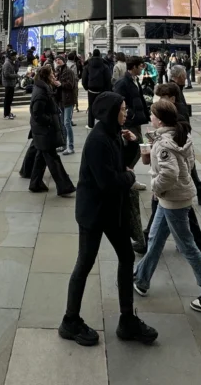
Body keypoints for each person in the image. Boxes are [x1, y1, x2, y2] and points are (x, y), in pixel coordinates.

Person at [59, 91, 158, 347]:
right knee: (84, 264)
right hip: (94, 212)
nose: (127, 112)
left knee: (126, 257)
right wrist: (129, 178)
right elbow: (109, 182)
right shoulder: (98, 140)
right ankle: (70, 321)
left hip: (112, 210)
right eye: (123, 109)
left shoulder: (113, 133)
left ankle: (127, 320)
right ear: (110, 112)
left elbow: (124, 164)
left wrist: (133, 144)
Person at [134, 98, 201, 312]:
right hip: (174, 197)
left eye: (153, 115)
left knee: (188, 247)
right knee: (155, 238)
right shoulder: (181, 135)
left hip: (173, 199)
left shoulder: (164, 145)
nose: (150, 117)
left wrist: (155, 186)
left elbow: (169, 173)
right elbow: (188, 164)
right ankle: (141, 278)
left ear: (160, 120)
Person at [163, 67, 201, 205]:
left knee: (189, 162)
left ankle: (200, 191)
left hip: (181, 132)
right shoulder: (173, 88)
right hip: (178, 133)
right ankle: (198, 191)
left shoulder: (176, 87)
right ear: (179, 76)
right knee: (186, 162)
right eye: (184, 75)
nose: (185, 78)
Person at [112, 56, 150, 253]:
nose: (142, 69)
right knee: (134, 149)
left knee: (137, 148)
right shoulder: (123, 82)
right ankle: (128, 174)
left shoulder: (135, 80)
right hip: (130, 122)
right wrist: (128, 117)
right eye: (140, 66)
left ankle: (129, 173)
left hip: (136, 120)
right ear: (133, 67)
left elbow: (138, 99)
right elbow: (118, 101)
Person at [27, 66, 76, 195]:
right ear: (47, 76)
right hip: (44, 130)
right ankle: (65, 186)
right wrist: (49, 121)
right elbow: (37, 113)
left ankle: (35, 183)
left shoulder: (44, 88)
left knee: (41, 157)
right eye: (52, 74)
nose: (54, 75)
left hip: (43, 130)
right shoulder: (41, 92)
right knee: (53, 159)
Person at [81, 49, 112, 128]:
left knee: (91, 106)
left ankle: (91, 124)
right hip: (102, 89)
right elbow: (108, 78)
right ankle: (103, 123)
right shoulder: (105, 65)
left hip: (91, 89)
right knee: (103, 106)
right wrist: (108, 89)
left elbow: (84, 78)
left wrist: (86, 87)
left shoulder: (87, 65)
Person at [57, 59, 78, 154]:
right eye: (56, 59)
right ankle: (64, 145)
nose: (57, 61)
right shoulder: (58, 70)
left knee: (67, 123)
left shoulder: (68, 71)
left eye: (59, 59)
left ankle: (70, 147)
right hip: (61, 100)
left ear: (64, 61)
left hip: (68, 100)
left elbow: (71, 84)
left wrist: (60, 84)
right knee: (62, 123)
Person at [1, 50, 18, 119]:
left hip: (11, 84)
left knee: (10, 99)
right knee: (7, 99)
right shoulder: (7, 64)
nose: (15, 57)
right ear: (11, 56)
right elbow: (6, 75)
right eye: (14, 56)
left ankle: (8, 112)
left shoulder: (11, 63)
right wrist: (15, 75)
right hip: (8, 84)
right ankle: (6, 114)